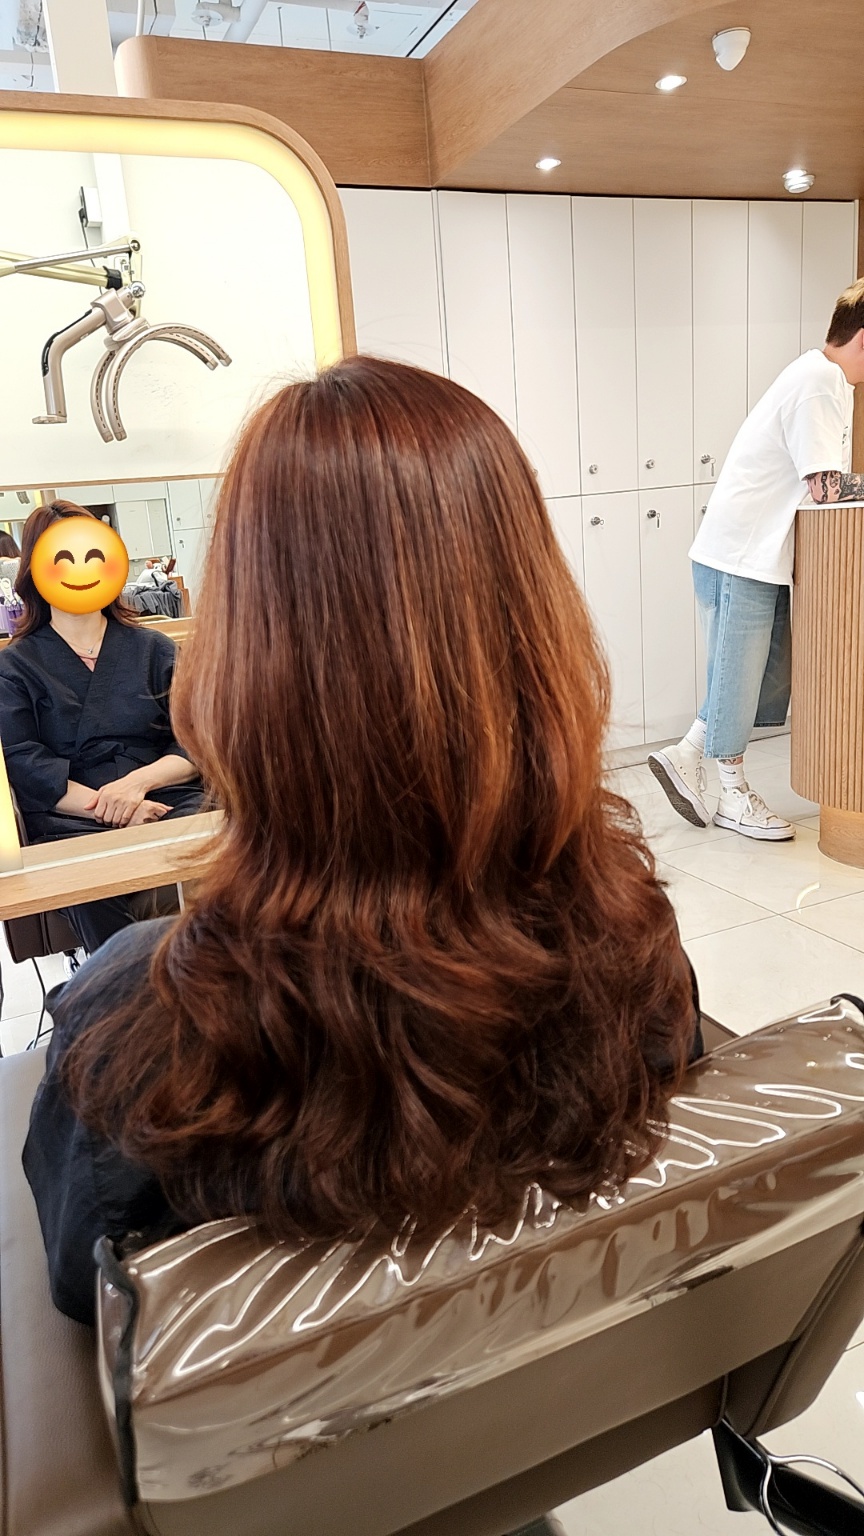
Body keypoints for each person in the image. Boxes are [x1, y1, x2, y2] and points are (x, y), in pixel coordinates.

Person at [23, 358, 702, 1326]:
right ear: (534, 636)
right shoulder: (636, 954)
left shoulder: (130, 1034)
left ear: (245, 671)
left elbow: (84, 1303)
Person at [649, 277, 864, 841]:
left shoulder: (828, 379)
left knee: (754, 677)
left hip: (757, 553)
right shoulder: (820, 381)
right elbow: (825, 488)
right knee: (740, 675)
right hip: (740, 553)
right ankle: (732, 795)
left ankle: (688, 754)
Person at [0, 500, 204, 953]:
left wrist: (137, 786)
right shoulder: (14, 667)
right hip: (71, 819)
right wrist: (110, 808)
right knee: (89, 888)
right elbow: (23, 762)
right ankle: (129, 988)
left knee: (215, 860)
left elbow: (195, 741)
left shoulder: (156, 649)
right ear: (35, 570)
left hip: (168, 800)